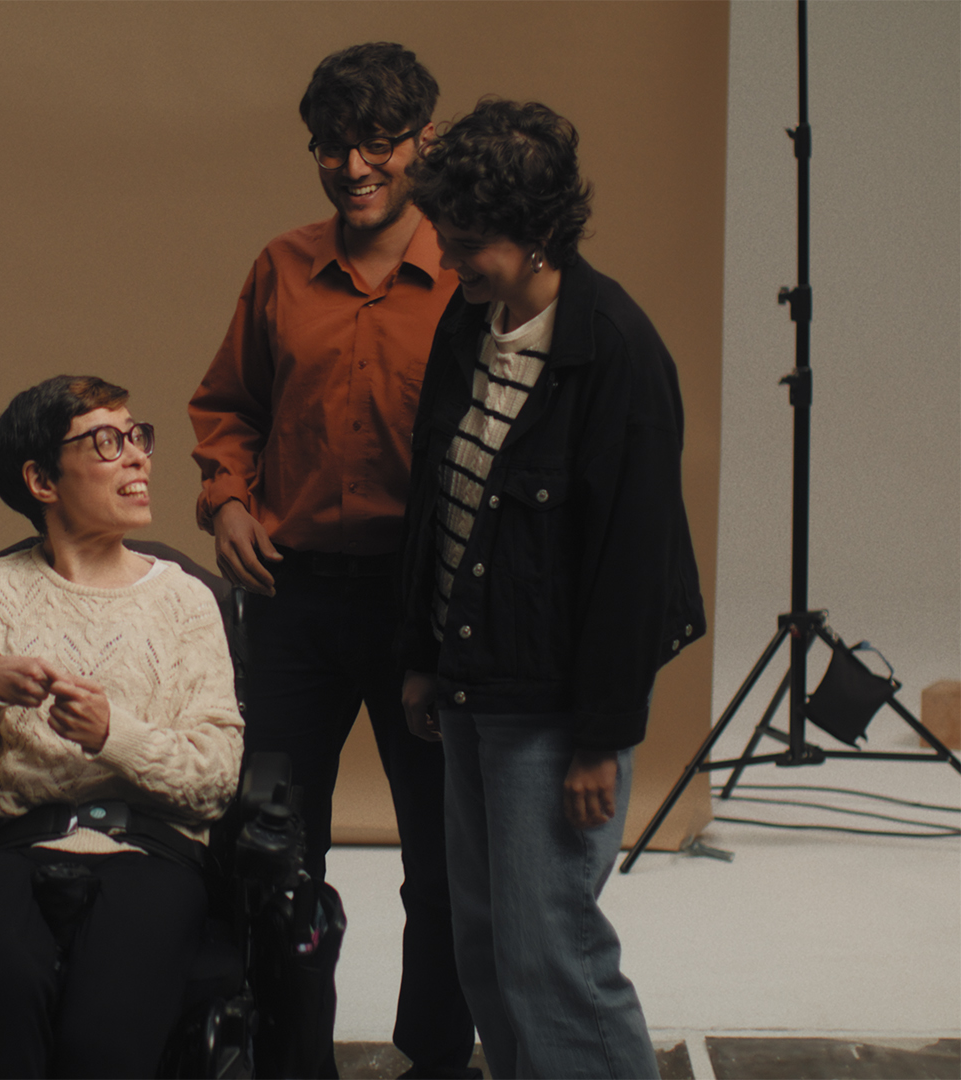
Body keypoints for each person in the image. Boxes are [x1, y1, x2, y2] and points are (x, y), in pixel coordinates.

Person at [399, 99, 705, 1079]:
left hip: (553, 712)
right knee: (486, 943)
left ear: (537, 235)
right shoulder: (470, 319)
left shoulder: (615, 351)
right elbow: (435, 497)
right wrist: (423, 660)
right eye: (445, 234)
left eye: (470, 240)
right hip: (470, 686)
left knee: (552, 954)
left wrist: (601, 740)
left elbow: (635, 564)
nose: (449, 257)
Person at [187, 41, 475, 1078]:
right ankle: (282, 1054)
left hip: (422, 609)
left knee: (441, 862)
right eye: (330, 148)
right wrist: (225, 502)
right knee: (270, 845)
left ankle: (435, 1056)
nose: (352, 168)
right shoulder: (281, 266)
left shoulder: (466, 274)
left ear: (422, 143)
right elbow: (227, 408)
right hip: (295, 600)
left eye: (377, 145)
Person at [0, 375, 244, 1079]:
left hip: (147, 854)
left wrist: (112, 735)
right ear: (40, 479)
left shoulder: (188, 601)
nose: (138, 458)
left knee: (101, 1043)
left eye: (136, 437)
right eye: (106, 442)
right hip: (3, 847)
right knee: (3, 1001)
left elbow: (213, 783)